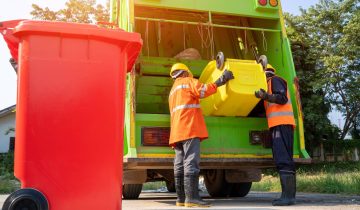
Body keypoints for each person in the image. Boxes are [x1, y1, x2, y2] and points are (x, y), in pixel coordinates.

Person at [168, 63, 234, 207]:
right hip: (189, 128)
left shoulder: (173, 90)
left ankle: (181, 199)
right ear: (186, 73)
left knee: (179, 163)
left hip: (177, 132)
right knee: (191, 162)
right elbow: (204, 91)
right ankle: (192, 199)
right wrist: (221, 80)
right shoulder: (188, 82)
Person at [255, 63, 296, 206]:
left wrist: (265, 96)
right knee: (283, 158)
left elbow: (282, 98)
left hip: (282, 124)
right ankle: (289, 196)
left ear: (266, 73)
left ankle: (288, 197)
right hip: (279, 125)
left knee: (283, 159)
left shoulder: (275, 80)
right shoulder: (268, 84)